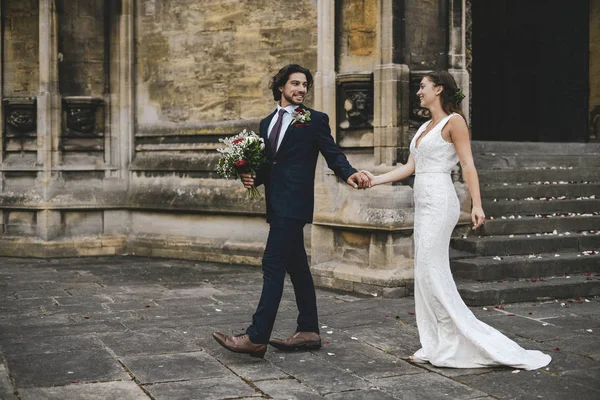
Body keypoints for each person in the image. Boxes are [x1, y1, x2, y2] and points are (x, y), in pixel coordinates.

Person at [361, 71, 551, 370]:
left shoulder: (455, 122)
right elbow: (411, 166)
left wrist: (476, 203)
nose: (419, 92)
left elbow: (468, 164)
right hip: (422, 202)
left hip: (440, 201)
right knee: (423, 272)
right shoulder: (424, 127)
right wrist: (376, 180)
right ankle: (435, 341)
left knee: (432, 269)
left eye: (423, 87)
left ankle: (451, 343)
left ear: (438, 89)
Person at [212, 64, 370, 358]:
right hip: (276, 204)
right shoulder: (266, 123)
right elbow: (267, 164)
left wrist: (349, 174)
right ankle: (308, 330)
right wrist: (250, 176)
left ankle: (256, 337)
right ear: (281, 86)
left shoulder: (314, 120)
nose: (301, 89)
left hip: (295, 204)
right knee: (297, 268)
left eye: (305, 85)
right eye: (295, 83)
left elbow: (332, 153)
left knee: (273, 265)